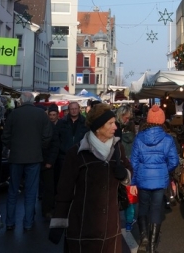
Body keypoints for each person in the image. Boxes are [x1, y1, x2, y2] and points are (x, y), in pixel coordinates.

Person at [50, 105, 130, 253]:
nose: (115, 126)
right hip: (82, 227)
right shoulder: (76, 153)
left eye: (115, 122)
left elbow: (129, 172)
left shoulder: (118, 148)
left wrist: (124, 174)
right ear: (98, 127)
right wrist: (58, 223)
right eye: (110, 123)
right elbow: (64, 191)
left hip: (110, 229)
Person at [130, 105, 178, 253]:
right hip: (159, 179)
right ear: (162, 120)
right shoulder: (168, 139)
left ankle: (144, 237)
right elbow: (174, 161)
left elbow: (134, 162)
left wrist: (133, 181)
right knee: (157, 210)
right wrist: (165, 170)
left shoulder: (139, 138)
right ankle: (152, 246)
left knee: (143, 207)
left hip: (143, 178)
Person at [2, 91, 53, 231]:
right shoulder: (41, 114)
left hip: (16, 157)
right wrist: (39, 147)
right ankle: (28, 223)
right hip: (34, 157)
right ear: (32, 101)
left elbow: (5, 135)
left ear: (22, 101)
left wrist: (12, 146)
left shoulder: (14, 114)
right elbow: (48, 136)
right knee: (31, 192)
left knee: (13, 191)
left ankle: (10, 222)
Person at [55, 101, 88, 183]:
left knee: (79, 180)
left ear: (79, 109)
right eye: (72, 109)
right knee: (64, 180)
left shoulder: (85, 123)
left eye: (75, 109)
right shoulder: (61, 122)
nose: (74, 111)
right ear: (68, 110)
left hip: (80, 155)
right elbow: (56, 138)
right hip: (64, 156)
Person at [41, 105, 61, 219]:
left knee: (52, 185)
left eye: (54, 115)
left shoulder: (57, 126)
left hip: (52, 160)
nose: (52, 117)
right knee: (48, 186)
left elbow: (55, 145)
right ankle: (48, 208)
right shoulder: (47, 126)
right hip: (48, 161)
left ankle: (50, 207)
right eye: (50, 115)